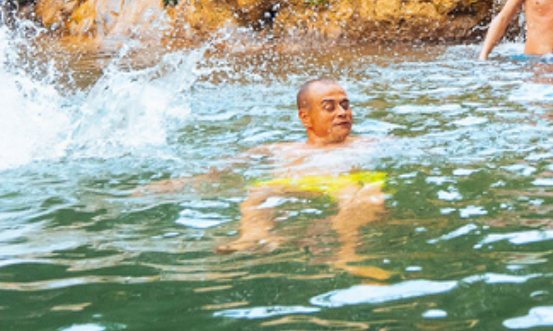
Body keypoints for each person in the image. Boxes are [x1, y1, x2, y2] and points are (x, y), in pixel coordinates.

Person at [148, 78, 388, 277]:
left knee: (363, 195)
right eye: (330, 107)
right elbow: (219, 171)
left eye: (345, 105)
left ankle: (347, 254)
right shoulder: (279, 149)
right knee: (259, 192)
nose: (342, 113)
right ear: (305, 118)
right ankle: (253, 237)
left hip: (344, 182)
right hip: (294, 182)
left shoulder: (367, 144)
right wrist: (177, 184)